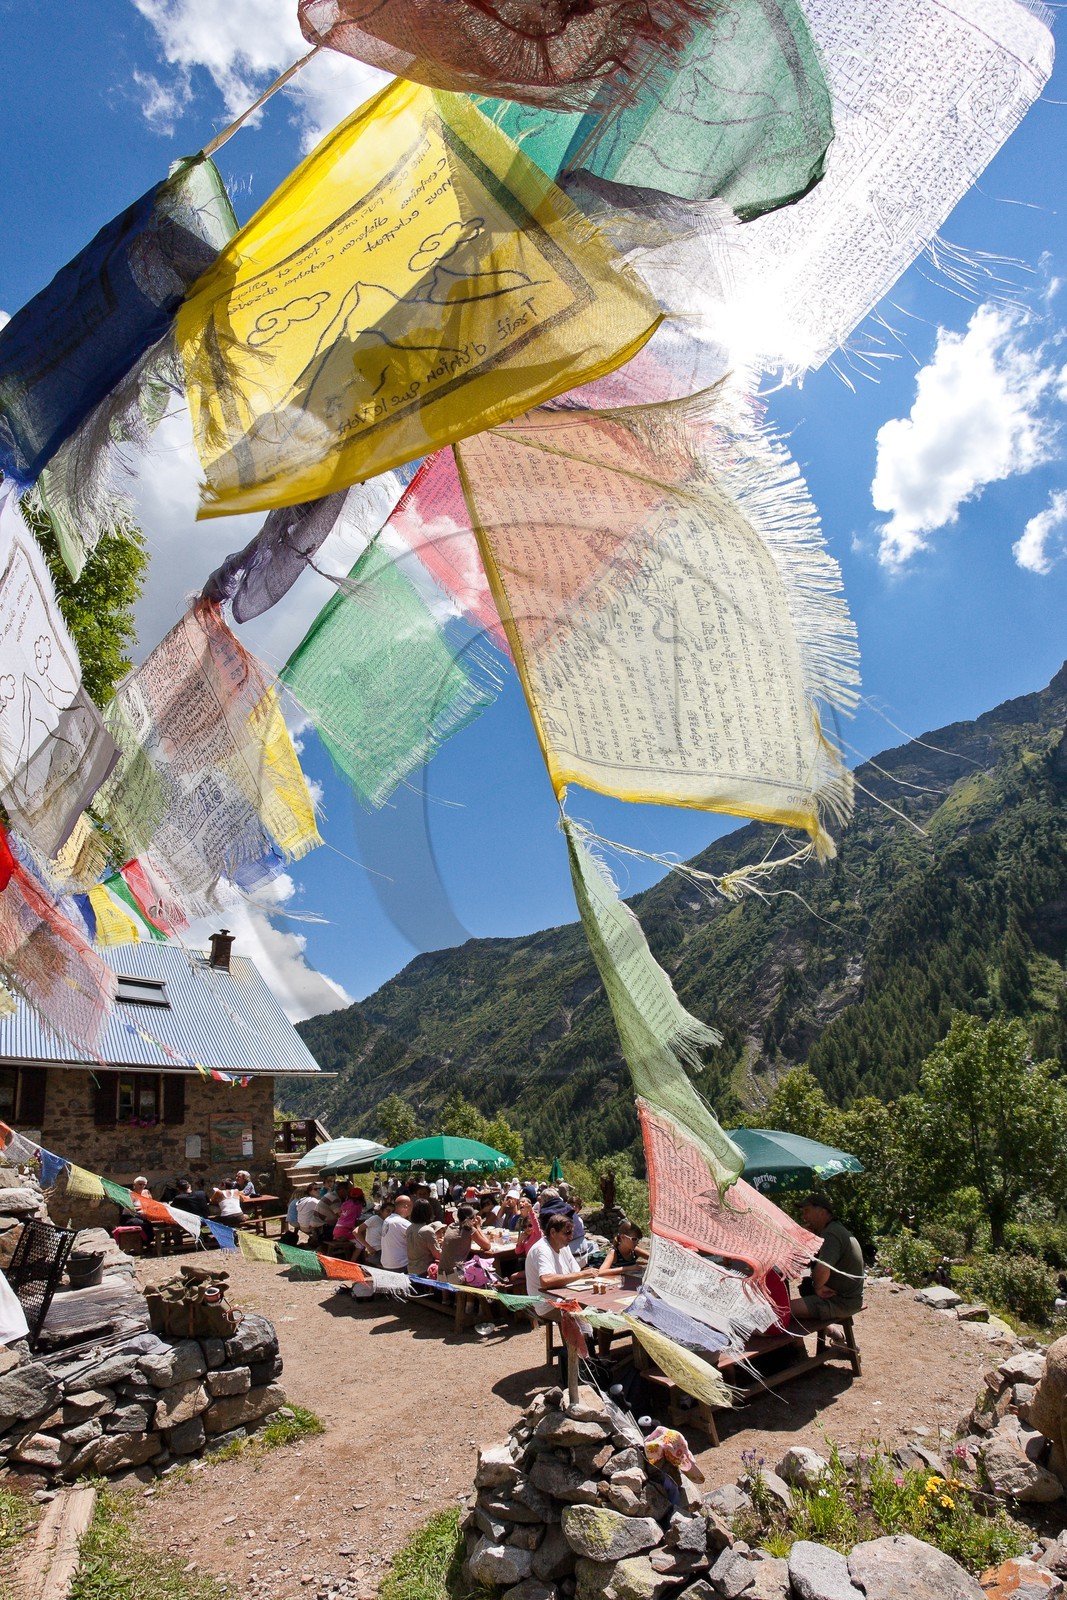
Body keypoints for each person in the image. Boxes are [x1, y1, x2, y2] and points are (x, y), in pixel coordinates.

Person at [789, 1193, 865, 1323]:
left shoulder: (830, 1234)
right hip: (850, 1299)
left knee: (778, 1312)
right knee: (805, 1288)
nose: (803, 1217)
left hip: (839, 1302)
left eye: (807, 1211)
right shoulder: (835, 1229)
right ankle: (832, 1332)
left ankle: (798, 1344)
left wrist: (817, 1286)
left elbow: (823, 1268)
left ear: (823, 1211)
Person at [525, 1212, 597, 1309]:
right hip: (546, 1304)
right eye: (567, 1233)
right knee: (588, 1310)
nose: (571, 1237)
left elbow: (575, 1272)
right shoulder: (542, 1249)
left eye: (572, 1233)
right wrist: (584, 1274)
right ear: (553, 1232)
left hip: (563, 1295)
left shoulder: (563, 1246)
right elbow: (546, 1281)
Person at [439, 1205, 494, 1281]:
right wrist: (478, 1227)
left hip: (441, 1273)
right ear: (472, 1218)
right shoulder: (468, 1229)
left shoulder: (451, 1226)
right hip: (455, 1274)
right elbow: (487, 1246)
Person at [406, 1199, 442, 1278]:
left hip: (411, 1269)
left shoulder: (409, 1228)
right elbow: (438, 1255)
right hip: (424, 1271)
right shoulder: (427, 1230)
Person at [380, 1194, 413, 1271]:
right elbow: (418, 1237)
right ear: (406, 1207)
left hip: (387, 1263)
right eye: (411, 1206)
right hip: (400, 1264)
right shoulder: (401, 1222)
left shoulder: (388, 1219)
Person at [357, 1197, 393, 1265]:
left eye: (392, 1212)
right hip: (375, 1252)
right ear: (382, 1211)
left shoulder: (389, 1223)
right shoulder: (375, 1219)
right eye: (388, 1211)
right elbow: (356, 1231)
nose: (390, 1214)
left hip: (384, 1252)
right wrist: (368, 1247)